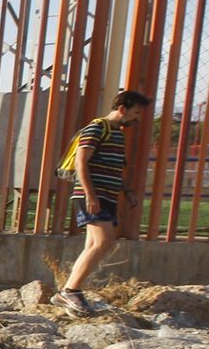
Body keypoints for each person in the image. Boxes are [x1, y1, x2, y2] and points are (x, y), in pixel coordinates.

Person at [55, 90, 152, 315]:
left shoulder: (117, 134)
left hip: (105, 196)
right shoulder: (97, 128)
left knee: (94, 245)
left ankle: (70, 291)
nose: (137, 119)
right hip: (91, 195)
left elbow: (112, 168)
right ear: (122, 109)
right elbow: (81, 162)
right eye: (136, 113)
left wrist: (127, 191)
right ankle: (70, 290)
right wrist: (90, 195)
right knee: (105, 241)